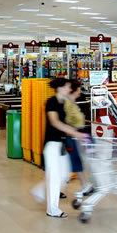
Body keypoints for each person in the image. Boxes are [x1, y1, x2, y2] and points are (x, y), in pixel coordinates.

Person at [31, 78, 90, 218]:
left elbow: (68, 121)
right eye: (68, 87)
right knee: (55, 177)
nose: (69, 89)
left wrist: (76, 132)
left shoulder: (64, 103)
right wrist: (74, 132)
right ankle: (52, 209)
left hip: (62, 145)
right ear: (60, 88)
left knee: (64, 175)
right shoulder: (51, 102)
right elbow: (54, 122)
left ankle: (40, 191)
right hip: (52, 144)